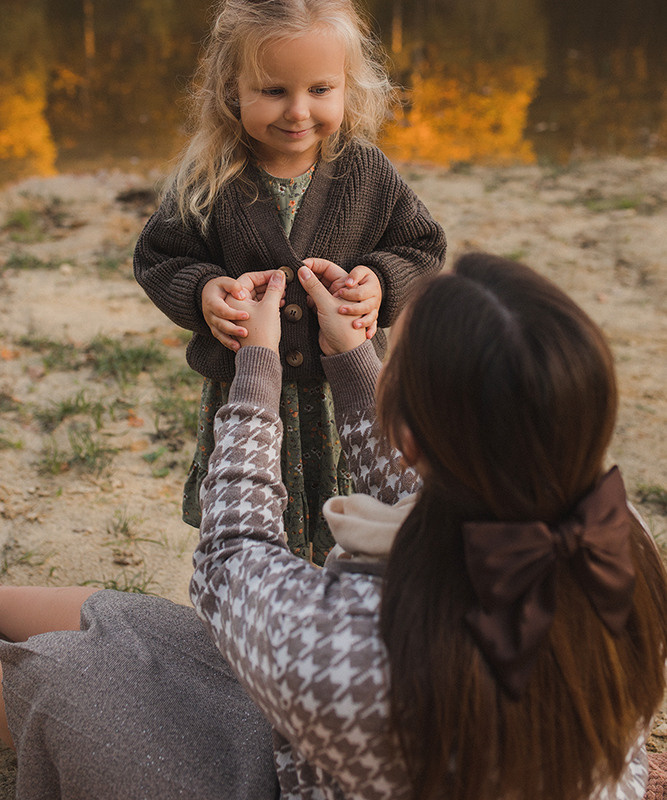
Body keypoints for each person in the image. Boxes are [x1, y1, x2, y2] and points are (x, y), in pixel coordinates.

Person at [1, 253, 666, 800]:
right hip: (387, 744)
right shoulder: (613, 535)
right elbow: (435, 481)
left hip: (328, 749)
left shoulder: (353, 651)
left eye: (392, 358)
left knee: (62, 676)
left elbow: (232, 557)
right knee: (119, 621)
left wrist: (255, 369)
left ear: (408, 430)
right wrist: (354, 361)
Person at [132, 0, 446, 563]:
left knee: (350, 531)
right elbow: (159, 256)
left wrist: (380, 283)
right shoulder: (210, 178)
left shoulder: (364, 170)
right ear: (231, 87)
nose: (298, 111)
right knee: (254, 529)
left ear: (348, 85)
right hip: (251, 397)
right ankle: (255, 606)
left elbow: (423, 245)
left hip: (343, 400)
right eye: (274, 90)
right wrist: (203, 292)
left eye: (320, 89)